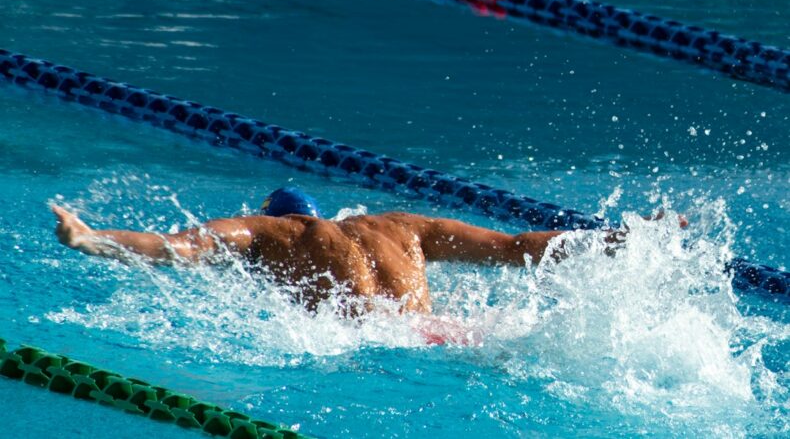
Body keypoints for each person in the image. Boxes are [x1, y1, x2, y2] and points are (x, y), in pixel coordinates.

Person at [51, 187, 683, 315]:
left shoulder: (270, 235)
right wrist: (621, 241)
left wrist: (90, 238)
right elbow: (522, 248)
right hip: (453, 336)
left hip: (374, 348)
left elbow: (178, 248)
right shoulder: (400, 225)